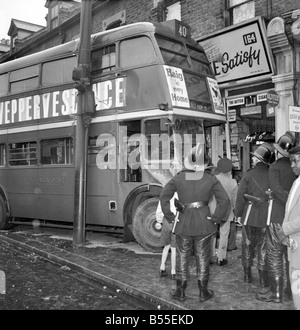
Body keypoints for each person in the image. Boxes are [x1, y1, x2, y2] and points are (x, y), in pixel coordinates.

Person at [160, 143, 229, 302]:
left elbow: (163, 197)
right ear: (203, 164)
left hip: (183, 222)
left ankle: (180, 291)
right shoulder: (210, 179)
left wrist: (170, 216)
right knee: (203, 257)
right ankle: (203, 292)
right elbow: (224, 201)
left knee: (182, 257)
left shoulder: (178, 178)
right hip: (205, 223)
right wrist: (216, 218)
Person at [256, 132, 296, 304]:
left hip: (278, 215)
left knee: (274, 254)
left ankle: (276, 293)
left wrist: (285, 198)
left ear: (278, 150)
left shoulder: (275, 167)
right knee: (290, 254)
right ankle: (289, 291)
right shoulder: (296, 167)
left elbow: (276, 188)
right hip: (294, 217)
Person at [235, 142, 274, 296]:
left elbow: (240, 197)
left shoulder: (248, 174)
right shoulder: (273, 173)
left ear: (259, 160)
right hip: (266, 216)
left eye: (255, 158)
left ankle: (246, 276)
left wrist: (238, 214)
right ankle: (264, 281)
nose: (252, 160)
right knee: (264, 248)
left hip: (249, 215)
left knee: (247, 245)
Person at [277, 145, 300, 310]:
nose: (292, 165)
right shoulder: (296, 182)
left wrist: (285, 229)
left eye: (296, 161)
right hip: (294, 246)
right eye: (291, 161)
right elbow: (289, 209)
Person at [215, 157, 238, 266]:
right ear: (229, 169)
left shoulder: (213, 179)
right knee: (224, 235)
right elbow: (235, 201)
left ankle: (210, 257)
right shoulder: (233, 183)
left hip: (212, 211)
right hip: (226, 212)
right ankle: (221, 258)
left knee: (211, 234)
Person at [156, 193, 177, 279]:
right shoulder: (178, 194)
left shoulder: (164, 195)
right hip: (175, 221)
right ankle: (173, 271)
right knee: (174, 248)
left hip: (165, 221)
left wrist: (159, 220)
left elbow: (159, 210)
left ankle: (162, 268)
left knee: (166, 246)